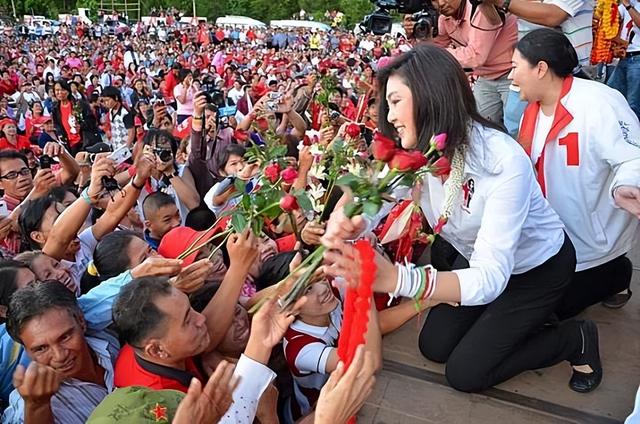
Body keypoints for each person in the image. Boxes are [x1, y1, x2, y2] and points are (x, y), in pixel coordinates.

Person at [322, 44, 602, 395]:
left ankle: (573, 339)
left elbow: (488, 278)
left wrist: (396, 279)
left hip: (536, 268)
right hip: (479, 259)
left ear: (431, 96)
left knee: (466, 374)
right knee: (434, 347)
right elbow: (373, 201)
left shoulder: (501, 161)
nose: (389, 115)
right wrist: (348, 220)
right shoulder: (415, 152)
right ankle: (516, 319)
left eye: (395, 101)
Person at [513, 29, 640, 316]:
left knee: (549, 313)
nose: (511, 76)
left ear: (541, 69)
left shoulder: (600, 102)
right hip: (552, 238)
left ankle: (618, 272)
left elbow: (633, 156)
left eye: (515, 67)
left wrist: (626, 185)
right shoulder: (529, 114)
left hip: (591, 244)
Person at [432, 0, 518, 126]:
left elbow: (475, 56)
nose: (441, 3)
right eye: (434, 0)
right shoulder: (444, 19)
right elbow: (435, 48)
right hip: (485, 78)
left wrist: (437, 54)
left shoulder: (481, 6)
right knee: (483, 128)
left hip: (511, 75)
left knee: (516, 129)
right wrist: (423, 37)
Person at [606, 0, 640, 121]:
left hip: (638, 58)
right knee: (611, 94)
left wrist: (627, 5)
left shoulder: (630, 5)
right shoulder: (630, 4)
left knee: (633, 104)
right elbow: (611, 15)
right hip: (625, 56)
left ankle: (634, 136)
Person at [50, 80, 101, 155]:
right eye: (57, 90)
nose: (60, 92)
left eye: (63, 90)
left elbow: (92, 121)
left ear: (68, 91)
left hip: (85, 142)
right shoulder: (55, 109)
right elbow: (57, 126)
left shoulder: (79, 104)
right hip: (70, 145)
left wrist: (81, 126)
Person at [101, 86, 135, 150]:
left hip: (125, 149)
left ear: (116, 98)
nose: (106, 103)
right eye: (104, 101)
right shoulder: (111, 111)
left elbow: (131, 132)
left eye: (108, 100)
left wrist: (126, 149)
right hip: (115, 147)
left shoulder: (125, 113)